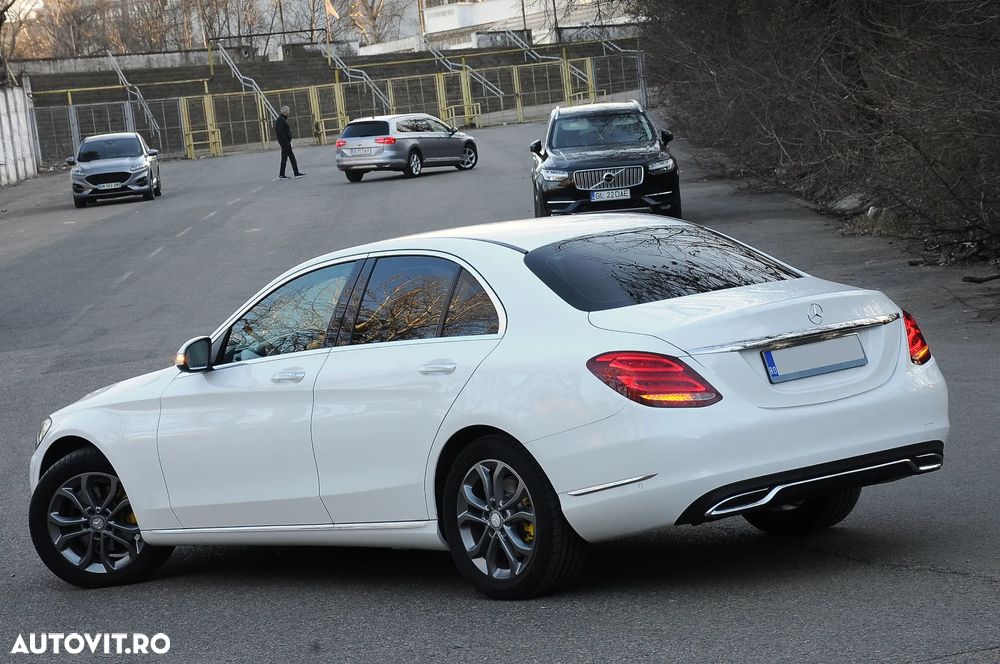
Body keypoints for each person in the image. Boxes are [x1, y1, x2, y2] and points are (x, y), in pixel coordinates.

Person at [274, 106, 305, 179]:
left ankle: (296, 173)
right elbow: (280, 132)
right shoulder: (281, 120)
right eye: (288, 111)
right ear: (285, 112)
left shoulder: (282, 119)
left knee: (291, 158)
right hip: (285, 143)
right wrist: (286, 141)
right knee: (285, 158)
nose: (289, 112)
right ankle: (282, 175)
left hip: (285, 142)